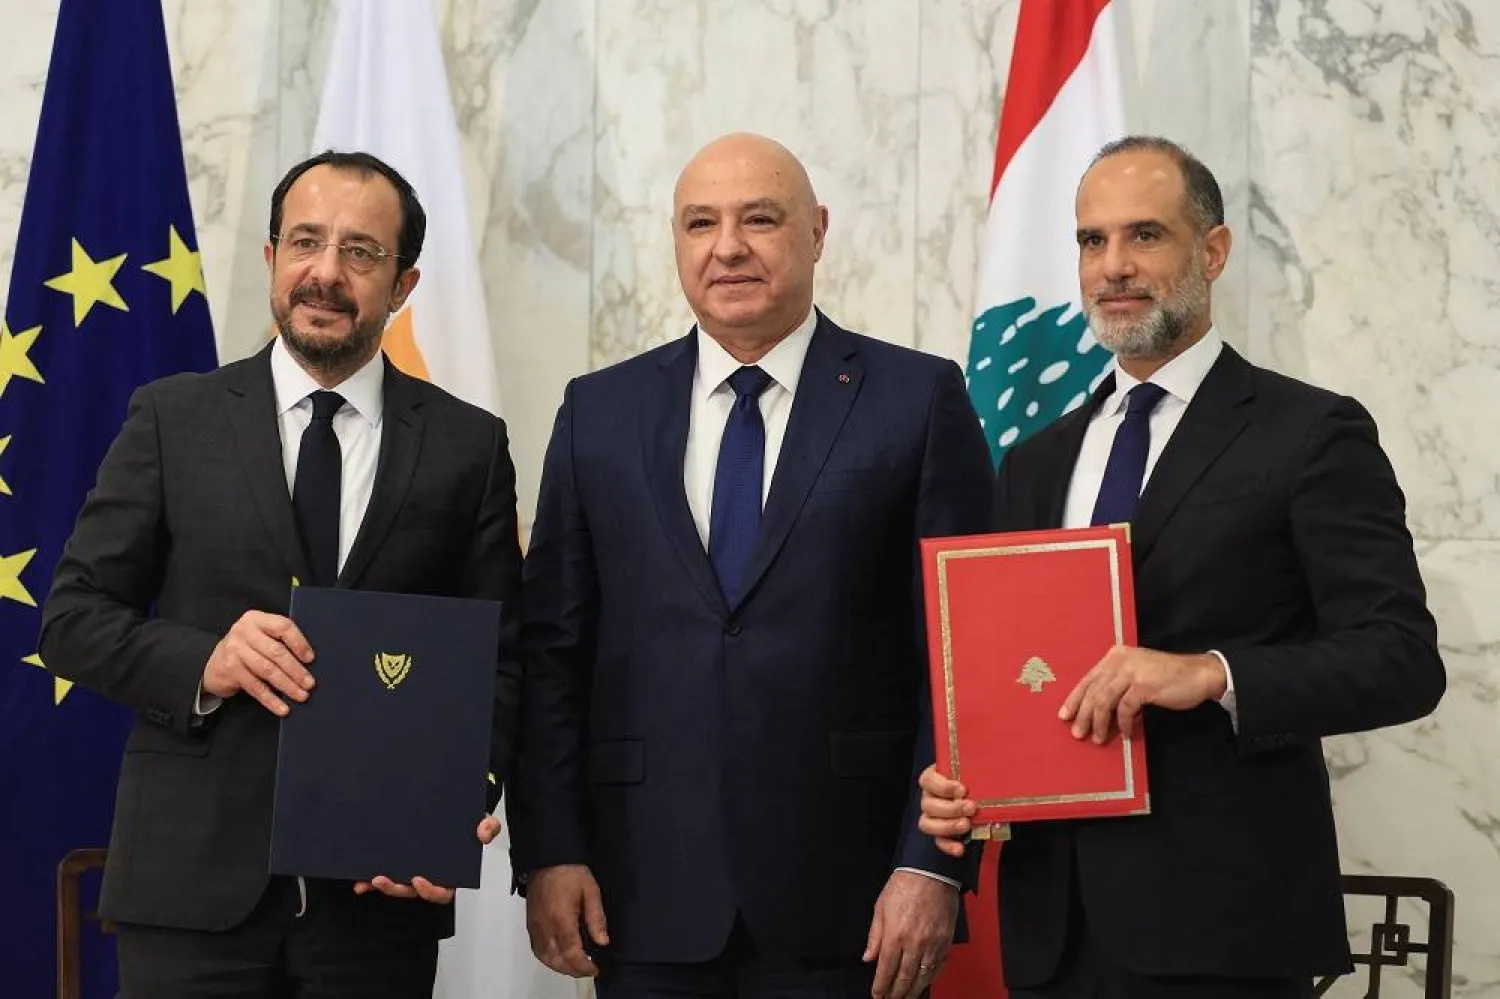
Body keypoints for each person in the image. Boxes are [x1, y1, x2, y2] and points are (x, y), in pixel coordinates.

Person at [918, 135, 1446, 999]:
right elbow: (1011, 675)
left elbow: (1401, 659)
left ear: (1213, 249)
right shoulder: (1035, 462)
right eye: (1093, 241)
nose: (1114, 266)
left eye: (1145, 236)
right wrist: (967, 786)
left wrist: (1212, 673)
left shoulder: (1310, 433)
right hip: (1052, 932)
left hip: (1225, 931)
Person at [509, 132, 995, 999]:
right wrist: (549, 848)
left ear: (816, 231)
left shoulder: (917, 399)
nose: (727, 246)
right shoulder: (598, 413)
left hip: (852, 901)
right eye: (701, 222)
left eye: (759, 219)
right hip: (641, 893)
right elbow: (552, 653)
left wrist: (933, 866)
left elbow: (967, 655)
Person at [39, 149, 522, 999]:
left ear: (404, 283)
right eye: (305, 243)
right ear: (271, 261)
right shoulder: (172, 419)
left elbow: (501, 662)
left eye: (361, 252)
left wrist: (454, 800)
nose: (326, 274)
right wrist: (203, 662)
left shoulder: (468, 446)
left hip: (378, 902)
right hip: (187, 895)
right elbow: (72, 617)